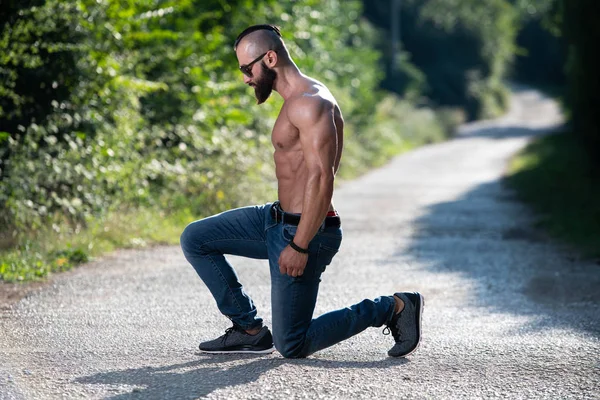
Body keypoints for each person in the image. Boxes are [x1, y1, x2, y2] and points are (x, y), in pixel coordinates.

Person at [180, 24, 423, 358]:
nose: (246, 79)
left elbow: (322, 179)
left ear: (269, 58)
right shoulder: (294, 100)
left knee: (293, 344)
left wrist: (300, 244)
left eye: (246, 69)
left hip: (305, 229)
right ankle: (248, 329)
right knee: (196, 238)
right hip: (274, 218)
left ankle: (392, 308)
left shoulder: (311, 103)